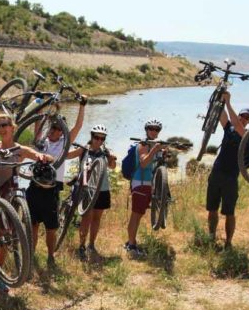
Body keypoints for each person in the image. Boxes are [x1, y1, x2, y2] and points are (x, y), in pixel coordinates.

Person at [0, 114, 52, 297]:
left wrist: (42, 157)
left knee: (4, 239)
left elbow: (36, 155)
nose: (2, 128)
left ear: (13, 127)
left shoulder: (19, 149)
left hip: (11, 196)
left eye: (5, 124)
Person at [26, 98, 87, 266]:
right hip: (35, 187)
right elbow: (38, 122)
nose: (54, 130)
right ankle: (30, 256)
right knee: (33, 226)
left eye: (58, 128)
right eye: (53, 127)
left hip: (52, 189)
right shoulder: (42, 141)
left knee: (51, 229)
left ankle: (50, 256)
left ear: (62, 132)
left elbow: (78, 127)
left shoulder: (64, 144)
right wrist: (39, 106)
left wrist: (82, 106)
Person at [205, 92, 249, 248]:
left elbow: (236, 124)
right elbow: (222, 116)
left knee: (229, 213)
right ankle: (211, 236)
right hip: (217, 173)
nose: (243, 119)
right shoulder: (229, 128)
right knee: (212, 209)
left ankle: (228, 242)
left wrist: (228, 102)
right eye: (242, 116)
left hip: (231, 177)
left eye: (247, 117)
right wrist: (220, 98)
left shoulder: (248, 137)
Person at [68, 125, 117, 259]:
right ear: (92, 136)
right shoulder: (83, 149)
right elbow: (67, 156)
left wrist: (111, 158)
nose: (99, 141)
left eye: (102, 138)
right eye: (96, 137)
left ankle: (92, 244)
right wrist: (63, 142)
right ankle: (81, 246)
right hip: (87, 189)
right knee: (86, 218)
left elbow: (112, 167)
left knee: (97, 218)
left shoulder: (106, 151)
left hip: (102, 189)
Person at [125, 119, 169, 255]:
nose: (154, 131)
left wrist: (163, 153)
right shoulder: (143, 145)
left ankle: (130, 241)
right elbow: (144, 163)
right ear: (146, 130)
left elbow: (157, 163)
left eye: (157, 130)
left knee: (138, 214)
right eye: (151, 129)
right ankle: (131, 246)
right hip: (140, 182)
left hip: (148, 184)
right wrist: (154, 149)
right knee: (136, 215)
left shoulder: (155, 144)